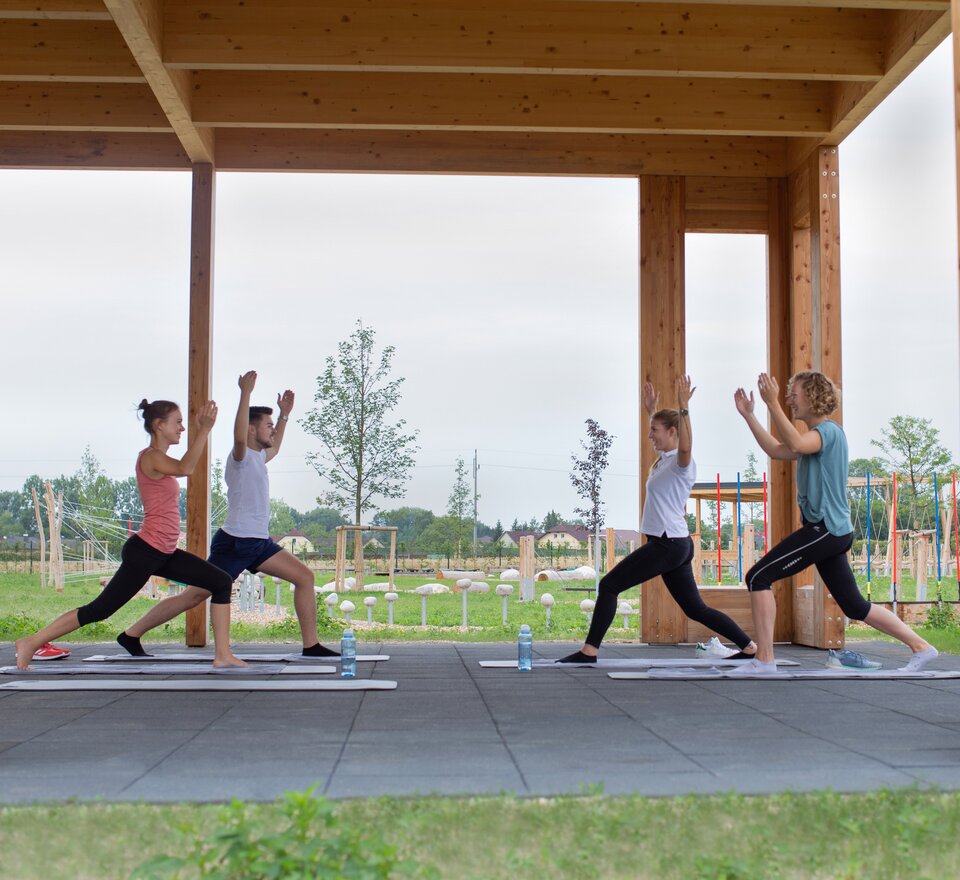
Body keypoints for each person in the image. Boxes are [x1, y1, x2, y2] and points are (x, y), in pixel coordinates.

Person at [119, 371, 338, 658]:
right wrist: (245, 393)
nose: (272, 431)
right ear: (250, 430)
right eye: (268, 426)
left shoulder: (260, 457)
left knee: (304, 577)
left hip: (259, 543)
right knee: (195, 595)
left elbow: (277, 444)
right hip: (235, 543)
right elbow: (238, 436)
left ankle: (311, 645)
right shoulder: (241, 457)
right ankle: (132, 633)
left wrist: (284, 416)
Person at [732, 370, 937, 675]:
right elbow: (777, 450)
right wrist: (750, 415)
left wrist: (771, 404)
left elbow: (798, 444)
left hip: (824, 530)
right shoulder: (812, 437)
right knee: (854, 605)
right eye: (786, 396)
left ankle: (764, 660)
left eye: (794, 394)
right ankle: (922, 647)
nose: (789, 400)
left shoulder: (828, 433)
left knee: (758, 577)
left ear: (813, 398)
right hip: (831, 532)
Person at [15, 399, 246, 670]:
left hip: (164, 552)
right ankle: (31, 642)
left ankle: (222, 654)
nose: (182, 428)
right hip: (146, 552)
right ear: (159, 425)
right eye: (178, 422)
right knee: (99, 610)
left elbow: (183, 465)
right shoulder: (150, 457)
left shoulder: (160, 458)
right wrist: (204, 430)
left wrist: (201, 430)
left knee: (220, 581)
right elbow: (186, 468)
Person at [559, 376, 758, 664]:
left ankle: (589, 651)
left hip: (668, 544)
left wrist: (684, 406)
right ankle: (749, 646)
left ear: (674, 432)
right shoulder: (665, 460)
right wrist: (651, 410)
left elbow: (685, 446)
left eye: (655, 430)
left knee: (609, 586)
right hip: (673, 543)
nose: (650, 435)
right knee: (695, 609)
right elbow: (667, 433)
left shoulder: (682, 464)